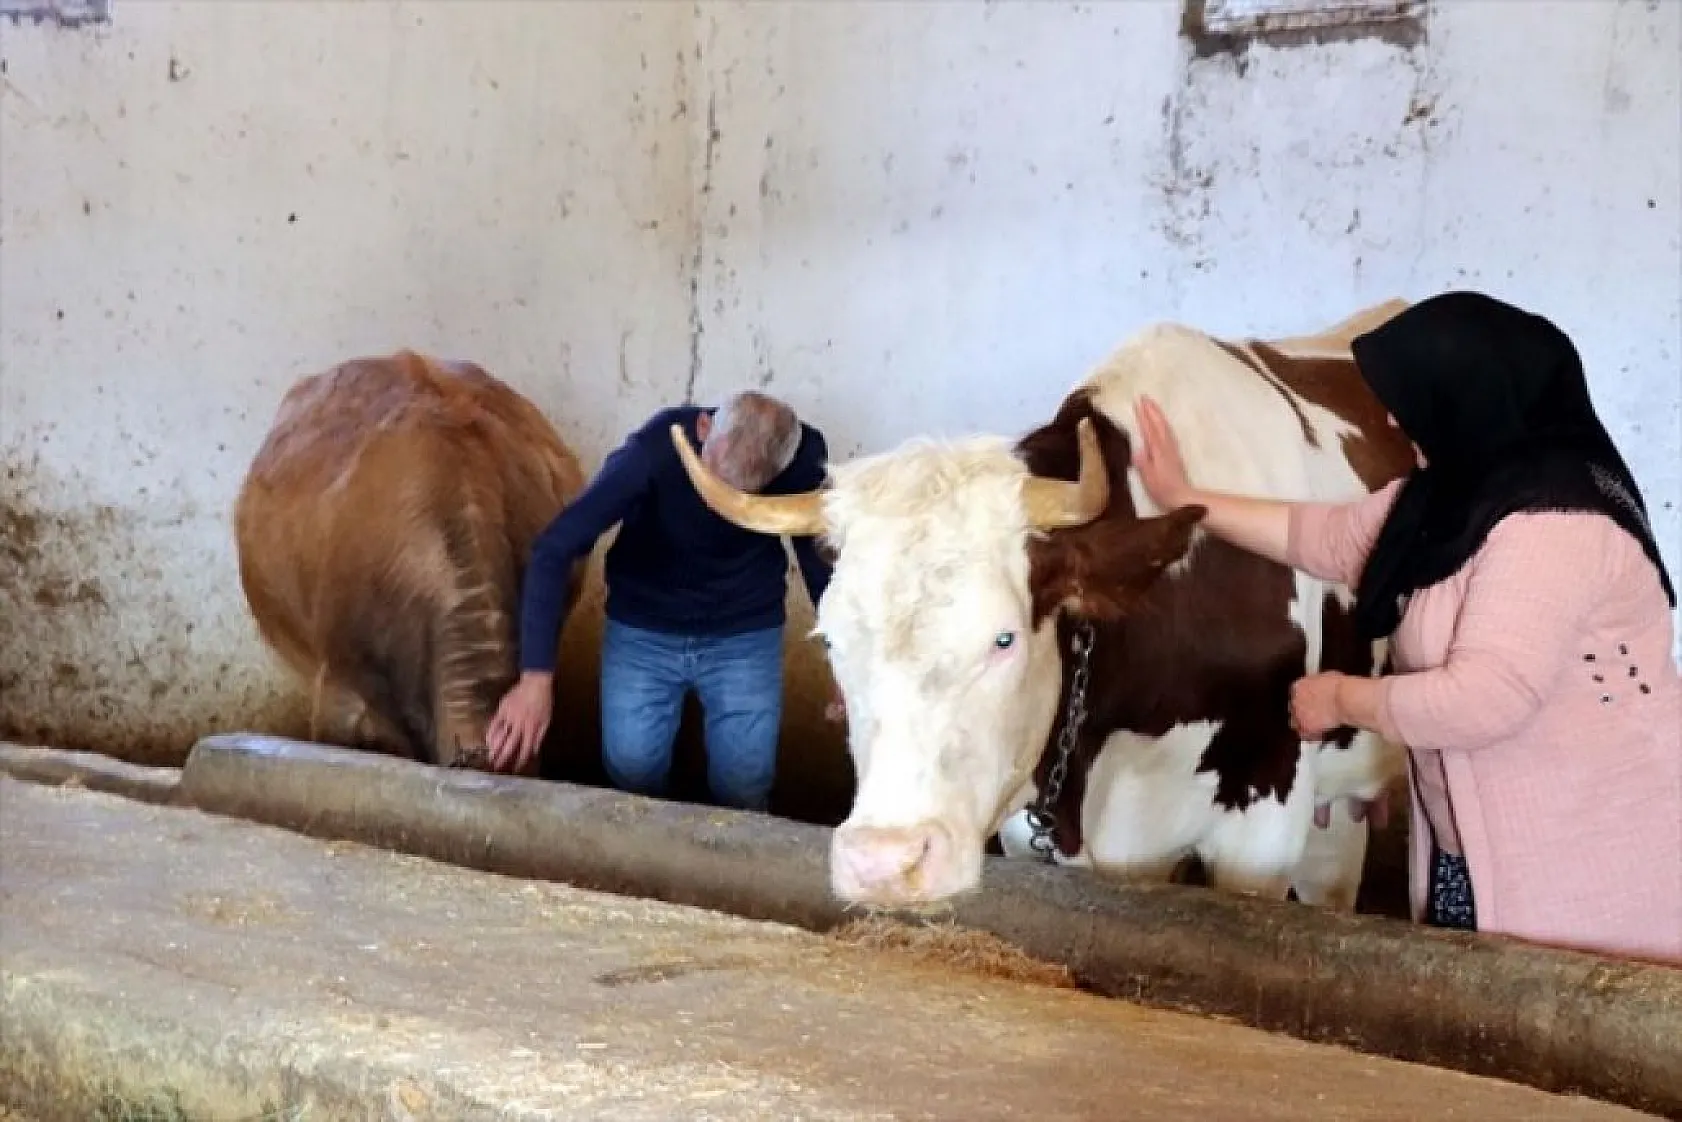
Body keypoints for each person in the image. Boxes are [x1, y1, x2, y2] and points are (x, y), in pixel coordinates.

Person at [1130, 291, 1680, 965]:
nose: (1392, 416)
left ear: (1474, 398)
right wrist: (1188, 500)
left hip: (1585, 865)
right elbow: (1323, 537)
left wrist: (1341, 701)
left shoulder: (1553, 527)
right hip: (1477, 852)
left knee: (1561, 1051)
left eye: (1415, 396)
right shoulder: (1452, 494)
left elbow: (1487, 697)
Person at [486, 390, 838, 812]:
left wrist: (843, 662)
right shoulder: (653, 451)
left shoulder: (800, 461)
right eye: (714, 483)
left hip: (745, 634)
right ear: (703, 428)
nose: (722, 511)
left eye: (743, 500)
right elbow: (555, 548)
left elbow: (821, 568)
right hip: (644, 631)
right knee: (631, 772)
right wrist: (535, 678)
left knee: (745, 781)